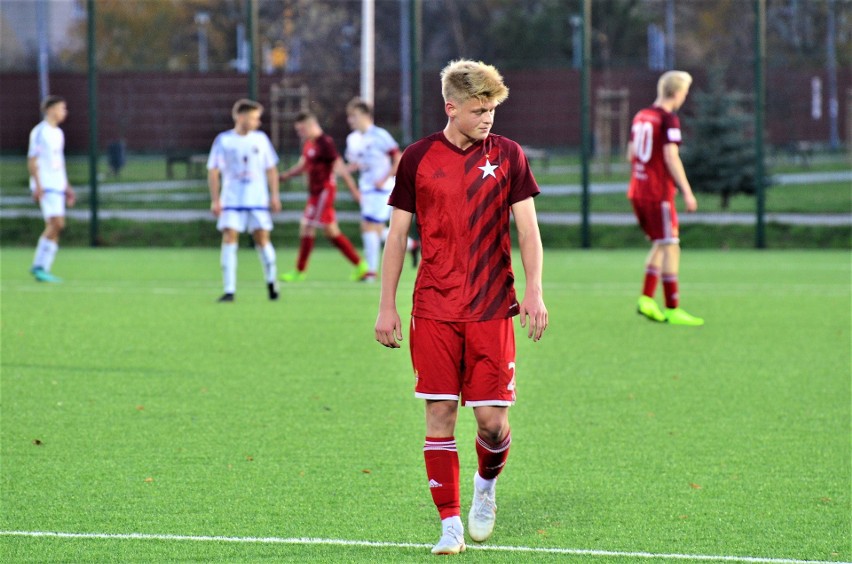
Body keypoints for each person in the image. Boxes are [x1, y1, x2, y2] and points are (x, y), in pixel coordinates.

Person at [375, 59, 548, 555]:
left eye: (493, 108)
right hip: (434, 307)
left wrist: (533, 291)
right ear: (451, 108)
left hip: (493, 308)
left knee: (492, 423)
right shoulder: (417, 158)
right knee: (440, 417)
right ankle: (449, 525)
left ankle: (485, 487)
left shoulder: (509, 155)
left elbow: (529, 231)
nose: (488, 118)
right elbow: (396, 237)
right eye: (478, 110)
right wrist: (386, 306)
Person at [628, 70, 704, 326]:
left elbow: (630, 154)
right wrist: (687, 191)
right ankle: (666, 305)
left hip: (638, 189)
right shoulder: (668, 119)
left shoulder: (642, 116)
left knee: (665, 243)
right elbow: (671, 157)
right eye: (685, 92)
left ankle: (653, 301)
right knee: (669, 243)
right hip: (657, 192)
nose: (685, 96)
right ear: (675, 93)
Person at [278, 111, 368, 282]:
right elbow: (303, 166)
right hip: (315, 194)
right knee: (332, 231)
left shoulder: (325, 143)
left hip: (323, 193)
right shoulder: (309, 144)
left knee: (307, 226)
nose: (300, 134)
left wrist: (354, 191)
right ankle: (360, 265)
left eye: (302, 130)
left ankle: (299, 271)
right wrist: (285, 176)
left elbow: (339, 167)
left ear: (312, 125)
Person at [208, 99, 281, 303]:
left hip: (257, 199)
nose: (258, 122)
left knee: (262, 239)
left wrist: (274, 195)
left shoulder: (261, 139)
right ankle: (229, 289)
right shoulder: (224, 140)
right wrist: (215, 199)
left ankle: (271, 283)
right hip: (232, 199)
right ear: (241, 117)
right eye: (254, 118)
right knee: (229, 237)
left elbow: (271, 169)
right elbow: (213, 171)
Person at [345, 97, 420, 281]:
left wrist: (384, 178)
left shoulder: (379, 135)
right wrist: (346, 169)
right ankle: (412, 245)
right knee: (374, 229)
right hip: (367, 188)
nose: (350, 120)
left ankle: (371, 271)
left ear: (364, 115)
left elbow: (398, 158)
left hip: (381, 189)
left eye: (353, 116)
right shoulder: (355, 139)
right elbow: (359, 163)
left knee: (369, 226)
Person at [28, 95, 75, 283]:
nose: (64, 112)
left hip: (57, 185)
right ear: (50, 110)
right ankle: (38, 265)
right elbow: (32, 160)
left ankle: (44, 269)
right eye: (61, 108)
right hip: (45, 185)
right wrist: (38, 185)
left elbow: (59, 163)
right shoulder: (40, 132)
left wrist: (67, 187)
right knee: (57, 224)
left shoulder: (59, 133)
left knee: (56, 226)